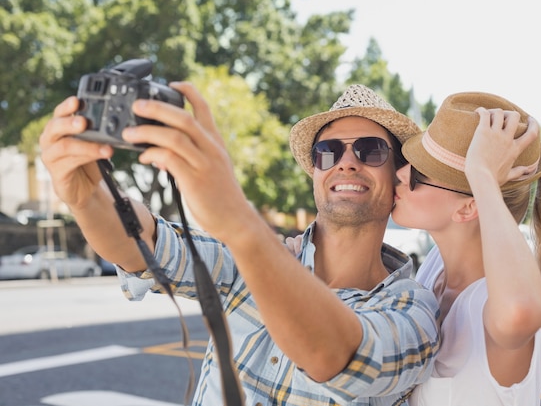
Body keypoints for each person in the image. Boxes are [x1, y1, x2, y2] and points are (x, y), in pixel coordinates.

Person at [39, 83, 440, 405]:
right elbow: (146, 244)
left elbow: (337, 356)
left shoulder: (413, 310)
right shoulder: (249, 261)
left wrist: (240, 221)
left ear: (398, 181)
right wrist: (84, 195)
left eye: (370, 150)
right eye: (328, 151)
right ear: (315, 173)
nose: (346, 162)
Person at [391, 92, 541, 405]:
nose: (400, 173)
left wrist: (483, 176)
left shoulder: (491, 303)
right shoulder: (436, 267)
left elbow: (520, 312)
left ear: (468, 207)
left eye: (418, 174)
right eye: (410, 162)